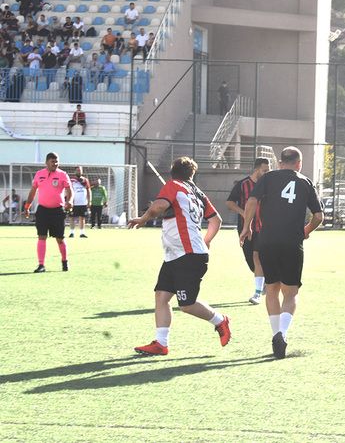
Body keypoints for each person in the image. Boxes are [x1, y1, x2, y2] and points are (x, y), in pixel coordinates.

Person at [128, 156, 230, 356]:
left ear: (172, 172)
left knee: (187, 305)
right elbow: (216, 220)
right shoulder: (198, 194)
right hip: (178, 255)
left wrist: (143, 218)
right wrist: (207, 240)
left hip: (188, 255)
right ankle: (161, 343)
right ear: (192, 175)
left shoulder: (173, 185)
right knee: (161, 296)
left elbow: (158, 207)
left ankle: (220, 320)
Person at [240, 147, 324, 359]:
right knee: (291, 292)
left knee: (271, 289)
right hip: (291, 242)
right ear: (299, 163)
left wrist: (246, 227)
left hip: (267, 240)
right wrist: (306, 231)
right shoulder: (305, 182)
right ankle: (283, 334)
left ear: (280, 162)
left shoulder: (267, 178)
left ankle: (275, 332)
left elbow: (252, 201)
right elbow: (318, 216)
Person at [225, 157, 271, 304]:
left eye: (268, 170)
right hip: (245, 228)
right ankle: (263, 282)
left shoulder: (269, 185)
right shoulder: (243, 184)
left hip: (263, 228)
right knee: (251, 260)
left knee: (257, 257)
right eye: (264, 170)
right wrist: (243, 212)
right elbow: (229, 202)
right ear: (257, 169)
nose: (267, 173)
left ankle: (257, 293)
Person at [24, 152, 72, 273]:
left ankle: (64, 261)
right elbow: (33, 191)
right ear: (46, 162)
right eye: (52, 161)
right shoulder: (39, 174)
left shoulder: (62, 175)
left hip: (58, 211)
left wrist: (69, 201)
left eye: (57, 161)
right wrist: (27, 206)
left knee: (60, 238)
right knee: (42, 236)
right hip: (43, 211)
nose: (55, 164)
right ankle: (41, 265)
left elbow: (69, 190)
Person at [68, 166, 91, 238]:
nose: (79, 171)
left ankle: (82, 233)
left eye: (80, 170)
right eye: (77, 170)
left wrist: (89, 201)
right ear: (75, 171)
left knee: (82, 218)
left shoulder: (85, 180)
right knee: (72, 218)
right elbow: (68, 190)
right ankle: (72, 233)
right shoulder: (71, 180)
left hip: (83, 203)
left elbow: (88, 190)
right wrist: (69, 200)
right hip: (74, 203)